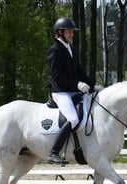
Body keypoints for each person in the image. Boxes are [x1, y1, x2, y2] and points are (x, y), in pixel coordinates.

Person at [46, 17, 99, 164]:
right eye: (69, 32)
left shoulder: (71, 50)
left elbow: (79, 71)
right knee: (73, 119)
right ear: (60, 32)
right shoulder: (55, 50)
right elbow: (57, 77)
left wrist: (93, 85)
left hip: (73, 91)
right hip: (61, 92)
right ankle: (53, 152)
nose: (72, 34)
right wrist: (77, 85)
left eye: (72, 32)